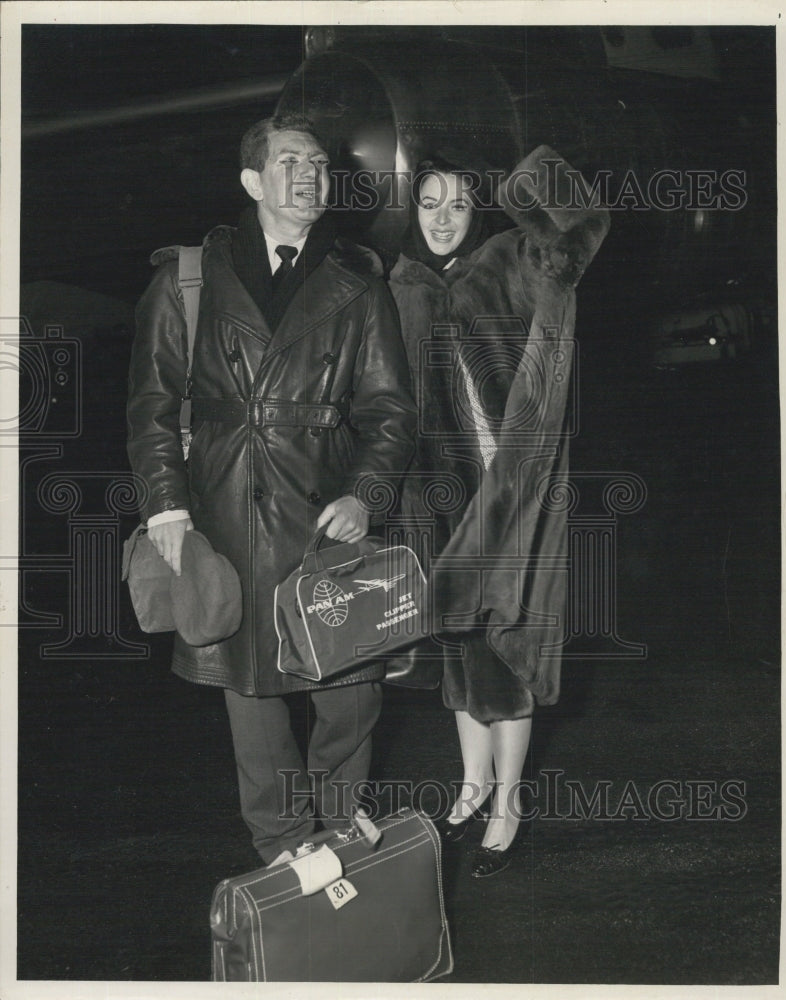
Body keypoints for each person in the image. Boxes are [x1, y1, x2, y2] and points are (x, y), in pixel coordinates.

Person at [127, 113, 416, 868]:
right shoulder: (188, 276)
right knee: (251, 690)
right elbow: (152, 405)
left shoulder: (358, 282)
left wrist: (365, 496)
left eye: (319, 164)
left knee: (350, 685)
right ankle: (285, 846)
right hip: (227, 510)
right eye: (290, 162)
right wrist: (166, 504)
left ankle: (341, 820)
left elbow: (390, 414)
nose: (309, 175)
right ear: (254, 181)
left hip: (324, 508)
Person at [388, 148, 609, 877]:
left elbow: (578, 230)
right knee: (459, 646)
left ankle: (508, 801)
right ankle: (471, 786)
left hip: (512, 490)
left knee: (507, 642)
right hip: (440, 496)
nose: (443, 217)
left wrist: (533, 181)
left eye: (456, 202)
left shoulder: (514, 260)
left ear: (476, 208)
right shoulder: (403, 285)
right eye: (428, 203)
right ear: (410, 211)